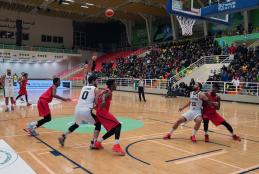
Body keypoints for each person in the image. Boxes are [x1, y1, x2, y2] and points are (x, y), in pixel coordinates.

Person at [58, 75, 101, 148]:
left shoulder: (83, 87)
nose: (97, 82)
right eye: (97, 80)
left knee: (77, 124)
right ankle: (93, 143)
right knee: (98, 124)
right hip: (86, 111)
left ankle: (63, 136)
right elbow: (96, 103)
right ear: (93, 81)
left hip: (77, 109)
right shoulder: (96, 89)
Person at [93, 79, 125, 155]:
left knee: (114, 129)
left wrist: (96, 106)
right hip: (102, 112)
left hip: (100, 112)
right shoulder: (108, 91)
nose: (116, 85)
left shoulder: (103, 90)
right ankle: (116, 146)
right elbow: (104, 96)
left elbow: (97, 98)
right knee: (118, 125)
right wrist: (103, 101)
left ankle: (98, 142)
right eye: (115, 83)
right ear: (111, 85)